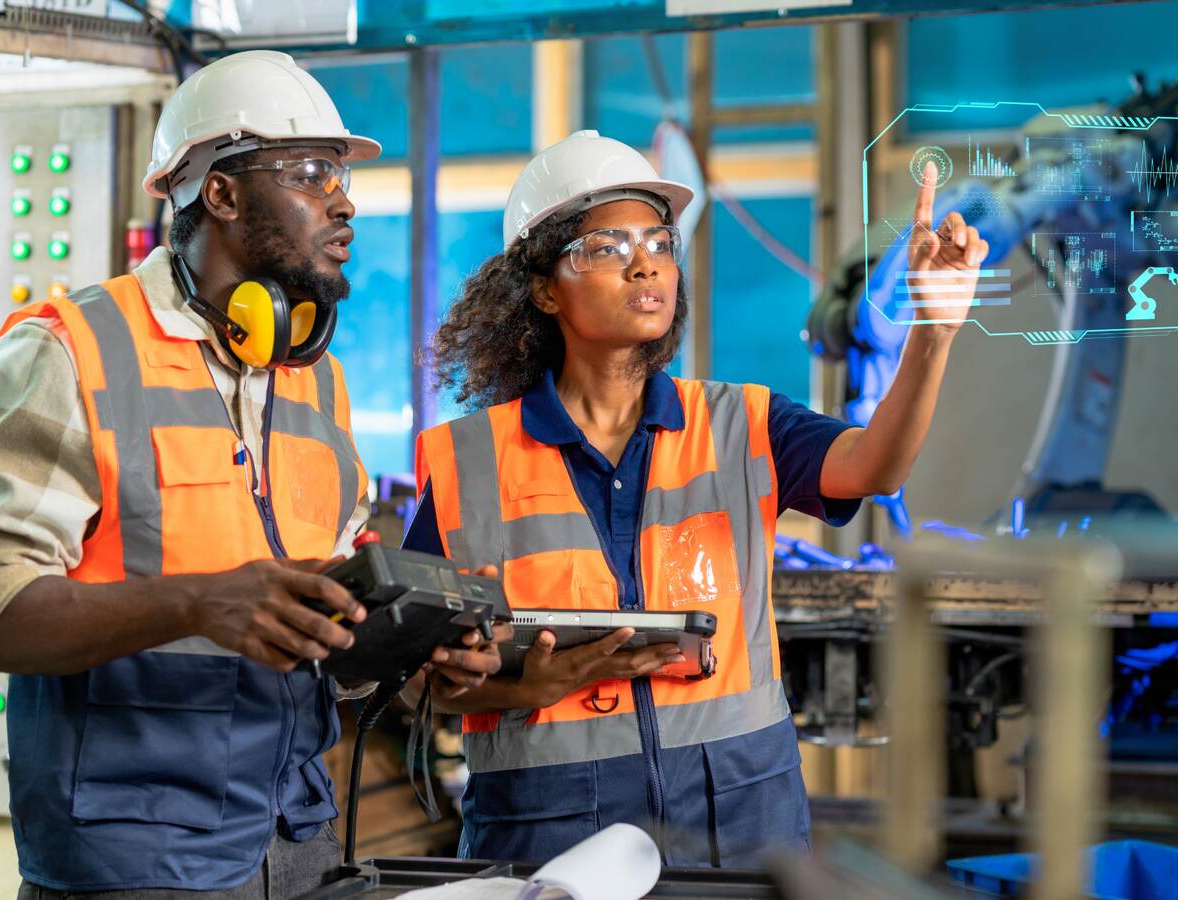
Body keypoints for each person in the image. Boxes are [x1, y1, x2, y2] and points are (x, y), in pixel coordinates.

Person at [0, 51, 501, 898]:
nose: (343, 202)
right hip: (132, 860)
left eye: (340, 176)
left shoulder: (313, 380)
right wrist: (197, 601)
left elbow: (319, 635)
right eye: (309, 173)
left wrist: (410, 639)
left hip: (299, 841)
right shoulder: (69, 352)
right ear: (218, 193)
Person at [403, 130, 988, 866]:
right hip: (549, 839)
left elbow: (875, 467)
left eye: (658, 241)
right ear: (544, 287)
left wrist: (932, 332)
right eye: (606, 248)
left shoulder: (742, 423)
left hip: (738, 827)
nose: (645, 261)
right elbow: (425, 683)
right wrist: (522, 689)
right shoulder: (467, 462)